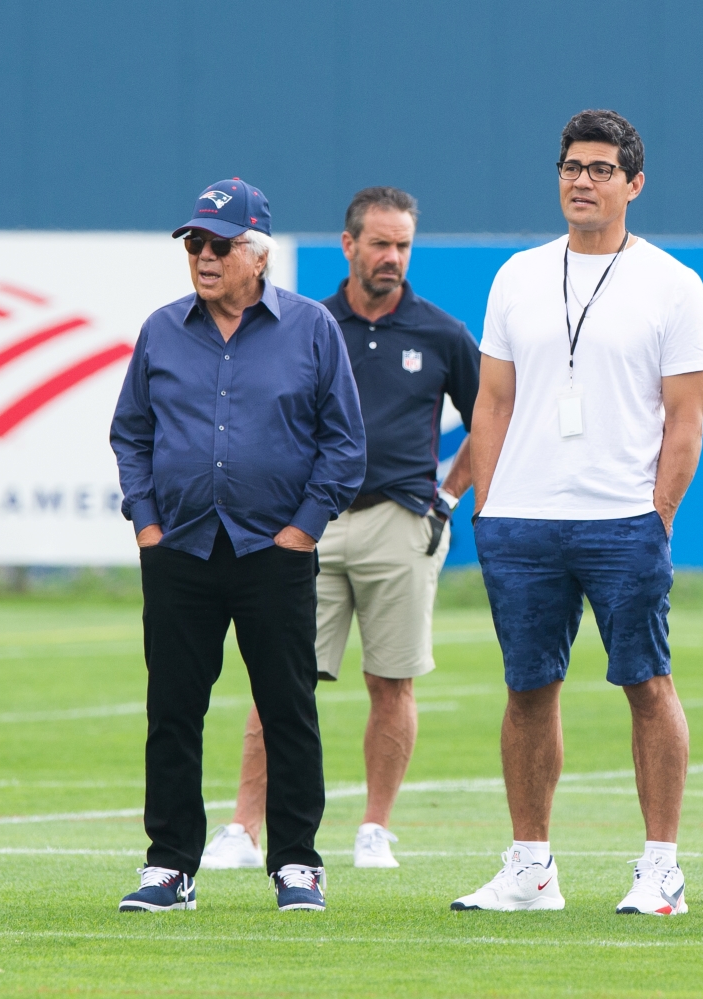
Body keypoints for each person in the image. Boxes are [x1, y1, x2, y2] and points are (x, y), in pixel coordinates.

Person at [453, 109, 703, 915]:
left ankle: (661, 865)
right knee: (527, 689)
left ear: (633, 184)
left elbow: (686, 417)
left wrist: (656, 512)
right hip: (521, 520)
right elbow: (491, 401)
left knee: (646, 682)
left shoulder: (673, 284)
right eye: (572, 166)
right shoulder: (517, 276)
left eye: (601, 169)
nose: (582, 181)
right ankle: (530, 867)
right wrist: (489, 505)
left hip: (621, 519)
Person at [200, 187, 481, 873]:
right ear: (348, 244)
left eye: (403, 245)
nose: (392, 258)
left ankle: (374, 828)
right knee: (280, 677)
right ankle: (242, 826)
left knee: (392, 681)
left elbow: (491, 420)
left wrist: (446, 497)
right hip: (308, 526)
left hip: (400, 522)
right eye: (380, 243)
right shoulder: (302, 324)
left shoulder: (440, 332)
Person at [110, 179, 366, 913]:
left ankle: (296, 862)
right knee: (173, 709)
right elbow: (131, 432)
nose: (203, 256)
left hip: (273, 552)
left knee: (287, 706)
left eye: (218, 244)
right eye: (194, 243)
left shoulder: (312, 328)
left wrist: (300, 532)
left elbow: (344, 446)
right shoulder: (162, 328)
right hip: (180, 549)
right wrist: (147, 524)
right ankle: (169, 865)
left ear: (258, 255)